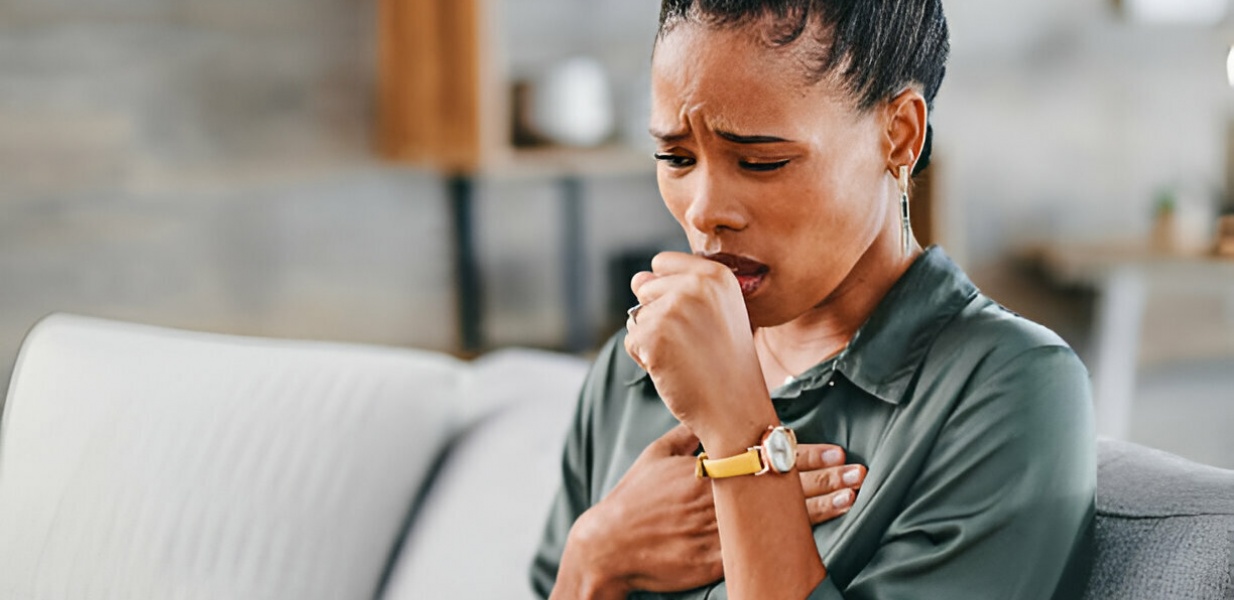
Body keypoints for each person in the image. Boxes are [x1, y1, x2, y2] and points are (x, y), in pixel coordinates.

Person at [531, 1, 1095, 598]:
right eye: (676, 157)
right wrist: (597, 552)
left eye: (760, 161)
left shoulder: (1007, 389)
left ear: (898, 134)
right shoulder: (632, 368)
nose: (703, 210)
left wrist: (741, 437)